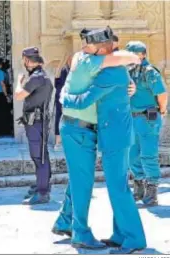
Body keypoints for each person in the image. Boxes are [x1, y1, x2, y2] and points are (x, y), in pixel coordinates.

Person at [52, 27, 141, 251]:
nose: (82, 48)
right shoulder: (87, 61)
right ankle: (82, 231)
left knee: (99, 183)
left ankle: (129, 236)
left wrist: (65, 97)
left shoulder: (110, 70)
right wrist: (65, 97)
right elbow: (129, 58)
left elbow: (131, 57)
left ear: (102, 49)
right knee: (85, 180)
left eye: (88, 44)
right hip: (82, 129)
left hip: (106, 134)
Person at [126, 41, 168, 206]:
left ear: (142, 54)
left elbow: (162, 94)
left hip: (147, 119)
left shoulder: (150, 72)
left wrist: (162, 111)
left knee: (148, 154)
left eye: (132, 54)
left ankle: (151, 190)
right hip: (132, 118)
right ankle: (139, 186)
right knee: (132, 153)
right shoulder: (129, 71)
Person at [14, 47, 53, 205]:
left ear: (29, 61)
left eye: (25, 60)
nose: (24, 63)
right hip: (38, 122)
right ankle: (42, 185)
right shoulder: (41, 76)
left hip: (36, 123)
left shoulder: (36, 78)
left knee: (39, 157)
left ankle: (42, 192)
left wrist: (19, 81)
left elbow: (18, 95)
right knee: (41, 155)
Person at [54, 55, 72, 150]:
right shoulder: (66, 70)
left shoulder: (59, 70)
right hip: (63, 97)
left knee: (58, 117)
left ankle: (58, 142)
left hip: (59, 96)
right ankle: (60, 143)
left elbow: (56, 84)